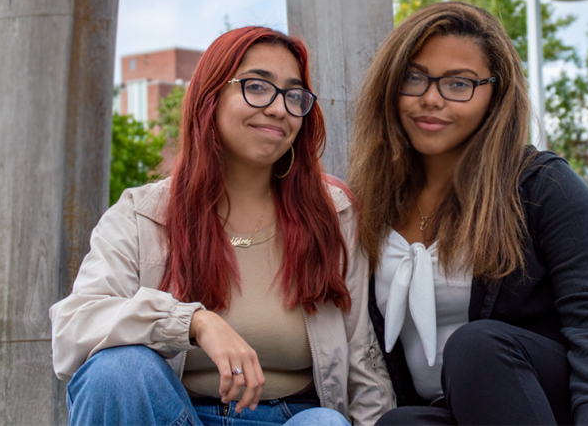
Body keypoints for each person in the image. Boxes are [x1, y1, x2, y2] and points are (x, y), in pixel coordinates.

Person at [50, 27, 394, 426]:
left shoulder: (333, 216)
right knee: (117, 372)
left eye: (293, 95)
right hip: (174, 414)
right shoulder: (142, 215)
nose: (279, 109)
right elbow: (73, 329)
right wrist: (194, 322)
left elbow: (361, 362)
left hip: (292, 418)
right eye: (257, 87)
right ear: (210, 96)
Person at [347, 2, 588, 426]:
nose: (430, 98)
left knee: (476, 346)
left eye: (459, 83)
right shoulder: (372, 206)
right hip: (468, 412)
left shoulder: (543, 186)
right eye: (414, 77)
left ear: (495, 94)